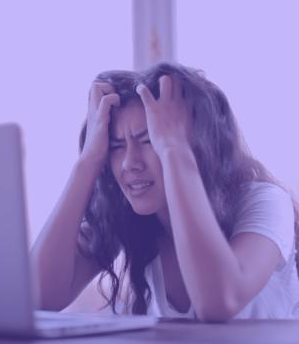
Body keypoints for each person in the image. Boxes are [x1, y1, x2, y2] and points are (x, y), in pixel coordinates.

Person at [32, 62, 299, 321]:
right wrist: (88, 159)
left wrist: (173, 148)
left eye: (149, 140)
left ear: (199, 144)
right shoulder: (129, 216)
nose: (130, 163)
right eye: (116, 146)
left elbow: (220, 301)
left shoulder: (266, 201)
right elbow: (38, 297)